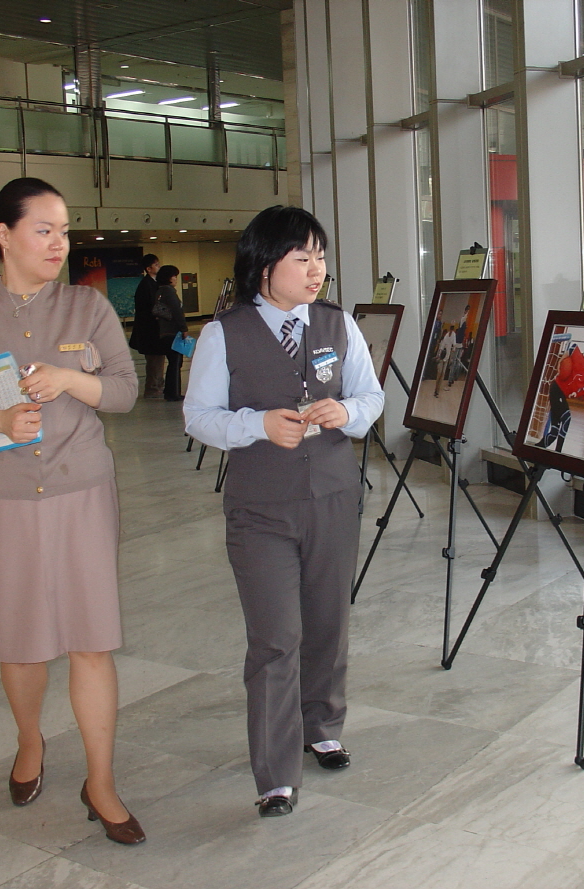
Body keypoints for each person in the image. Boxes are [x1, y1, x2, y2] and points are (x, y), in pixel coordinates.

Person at [0, 177, 145, 844]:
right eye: (44, 228)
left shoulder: (88, 308)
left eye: (65, 230)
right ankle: (29, 740)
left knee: (90, 638)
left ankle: (100, 781)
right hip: (6, 497)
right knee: (21, 639)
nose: (59, 242)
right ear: (3, 234)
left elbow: (125, 390)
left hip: (81, 489)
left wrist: (70, 380)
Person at [184, 205, 383, 817]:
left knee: (327, 621)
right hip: (262, 509)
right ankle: (275, 771)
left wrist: (345, 414)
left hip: (332, 498)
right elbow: (199, 417)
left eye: (320, 256)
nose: (316, 269)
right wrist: (258, 425)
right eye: (302, 257)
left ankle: (322, 723)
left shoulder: (338, 324)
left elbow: (371, 396)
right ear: (265, 264)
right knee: (276, 636)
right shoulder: (224, 333)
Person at [128, 254, 165, 399]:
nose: (159, 267)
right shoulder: (147, 285)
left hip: (153, 330)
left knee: (158, 360)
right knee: (154, 361)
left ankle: (157, 386)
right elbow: (151, 308)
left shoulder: (153, 284)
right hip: (150, 331)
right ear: (149, 269)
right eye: (156, 265)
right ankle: (152, 388)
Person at [153, 265, 188, 401]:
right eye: (174, 276)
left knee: (172, 362)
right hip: (173, 332)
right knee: (175, 362)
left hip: (163, 331)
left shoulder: (159, 291)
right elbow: (176, 311)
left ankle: (169, 391)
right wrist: (183, 328)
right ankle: (174, 393)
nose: (175, 279)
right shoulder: (169, 292)